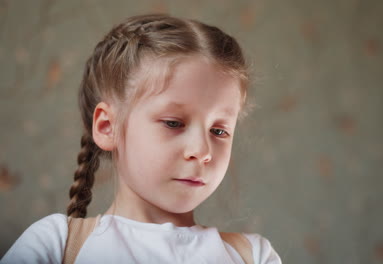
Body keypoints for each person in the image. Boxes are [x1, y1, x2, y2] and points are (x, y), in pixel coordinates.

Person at [1, 14, 281, 264]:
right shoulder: (55, 245)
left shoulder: (253, 256)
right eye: (173, 123)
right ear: (108, 126)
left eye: (219, 131)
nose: (202, 151)